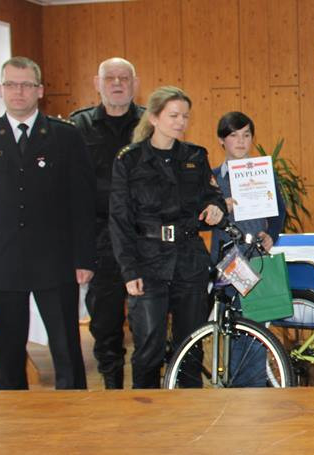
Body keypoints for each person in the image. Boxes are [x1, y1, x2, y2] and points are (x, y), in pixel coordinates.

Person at [0, 56, 95, 390]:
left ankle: (74, 417)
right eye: (11, 84)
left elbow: (82, 203)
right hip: (1, 260)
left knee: (66, 349)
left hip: (56, 259)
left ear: (40, 90)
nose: (19, 91)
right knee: (7, 353)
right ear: (0, 89)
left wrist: (84, 259)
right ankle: (10, 423)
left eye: (26, 85)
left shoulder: (65, 136)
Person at [109, 86, 226, 389]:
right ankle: (145, 414)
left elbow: (213, 196)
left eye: (185, 116)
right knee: (149, 347)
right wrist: (129, 269)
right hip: (147, 261)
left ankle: (191, 415)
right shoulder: (129, 160)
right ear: (154, 117)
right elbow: (120, 220)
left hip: (189, 259)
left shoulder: (194, 157)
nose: (180, 122)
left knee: (191, 345)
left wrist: (215, 208)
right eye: (173, 115)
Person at [69, 57, 143, 389]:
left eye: (123, 78)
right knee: (105, 322)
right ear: (96, 83)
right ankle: (112, 389)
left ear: (134, 84)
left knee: (147, 323)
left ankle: (148, 390)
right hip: (98, 239)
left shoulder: (150, 123)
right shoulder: (77, 127)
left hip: (143, 238)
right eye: (109, 78)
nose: (117, 83)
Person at [209, 111, 287, 387]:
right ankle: (234, 389)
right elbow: (202, 219)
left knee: (256, 328)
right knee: (231, 328)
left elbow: (279, 212)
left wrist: (272, 235)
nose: (240, 141)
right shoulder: (213, 178)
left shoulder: (264, 173)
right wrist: (220, 205)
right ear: (222, 140)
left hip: (256, 259)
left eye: (246, 135)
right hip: (228, 263)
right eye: (233, 135)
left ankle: (253, 390)